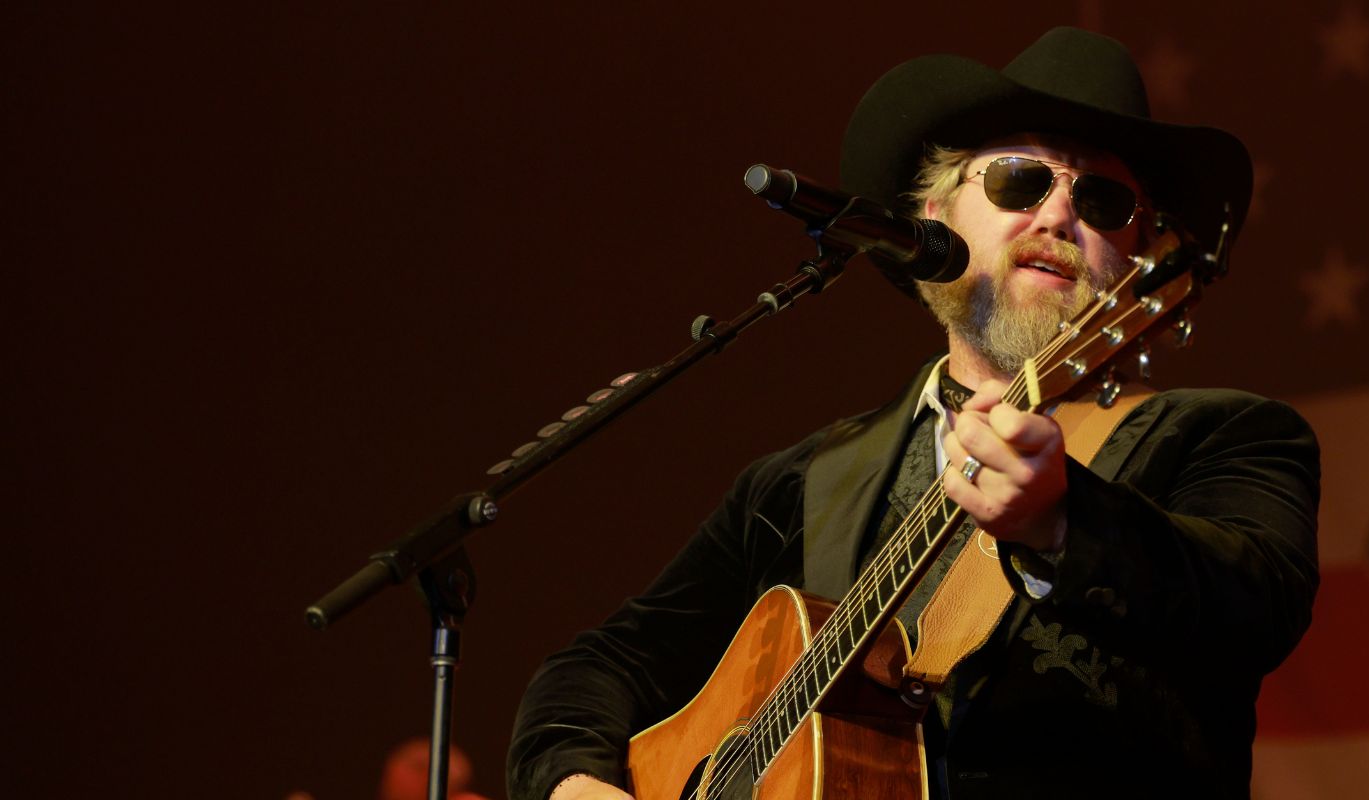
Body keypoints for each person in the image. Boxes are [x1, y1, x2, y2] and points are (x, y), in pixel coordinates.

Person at [506, 27, 1320, 799]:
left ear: (1136, 258)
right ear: (933, 218)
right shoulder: (800, 482)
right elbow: (599, 670)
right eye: (1017, 180)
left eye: (1103, 200)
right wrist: (574, 779)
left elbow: (1257, 606)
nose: (1058, 216)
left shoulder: (1227, 435)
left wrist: (1064, 523)